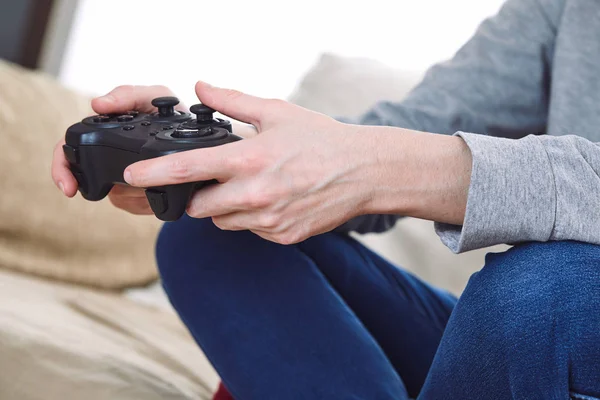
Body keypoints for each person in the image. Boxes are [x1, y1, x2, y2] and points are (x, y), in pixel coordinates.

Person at [52, 0, 600, 398]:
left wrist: (381, 166)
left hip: (550, 321)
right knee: (213, 234)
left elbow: (386, 160)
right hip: (513, 355)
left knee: (542, 291)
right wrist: (215, 157)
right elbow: (405, 132)